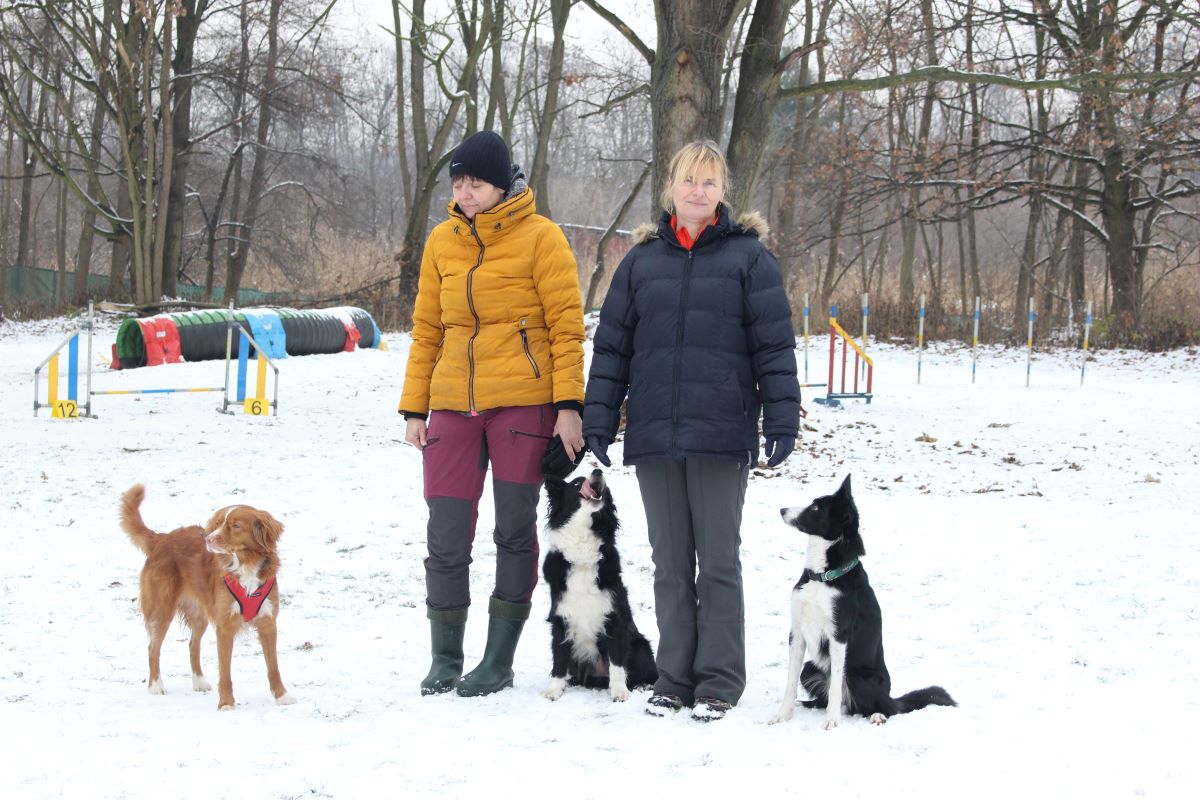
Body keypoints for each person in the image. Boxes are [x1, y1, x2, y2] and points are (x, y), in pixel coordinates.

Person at [583, 140, 801, 721]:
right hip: (656, 435)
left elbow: (774, 347)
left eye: (709, 181)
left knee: (719, 562)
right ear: (671, 188)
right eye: (688, 180)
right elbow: (612, 349)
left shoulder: (749, 259)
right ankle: (675, 677)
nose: (698, 191)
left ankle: (719, 681)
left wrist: (781, 415)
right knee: (671, 563)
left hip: (721, 434)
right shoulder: (641, 262)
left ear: (723, 191)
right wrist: (599, 416)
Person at [399, 130, 586, 697]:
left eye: (475, 181)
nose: (466, 191)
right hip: (453, 402)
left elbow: (566, 328)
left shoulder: (543, 238)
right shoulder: (441, 242)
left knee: (513, 531)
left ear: (502, 182)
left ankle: (499, 659)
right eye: (458, 182)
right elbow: (428, 327)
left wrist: (569, 407)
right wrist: (414, 407)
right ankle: (445, 657)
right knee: (446, 533)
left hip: (523, 402)